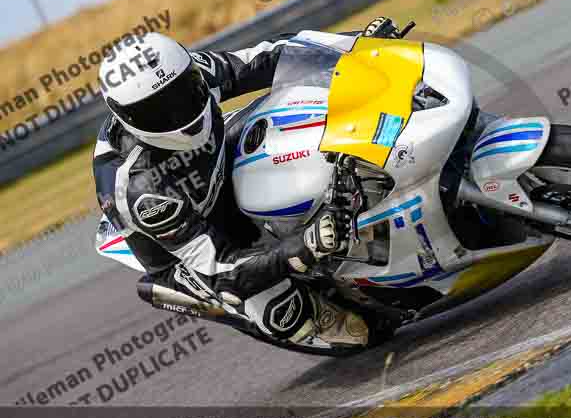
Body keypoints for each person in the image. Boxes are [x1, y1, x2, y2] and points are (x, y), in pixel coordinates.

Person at [92, 19, 401, 350]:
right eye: (159, 113)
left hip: (217, 158)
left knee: (299, 109)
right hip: (190, 247)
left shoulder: (191, 72)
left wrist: (355, 45)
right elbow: (222, 268)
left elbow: (269, 57)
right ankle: (310, 311)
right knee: (294, 315)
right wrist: (303, 246)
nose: (179, 111)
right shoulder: (139, 190)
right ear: (129, 120)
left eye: (184, 93)